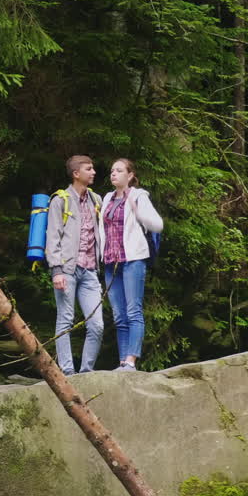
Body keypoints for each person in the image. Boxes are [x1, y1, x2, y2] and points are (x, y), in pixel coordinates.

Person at [98, 158, 163, 371]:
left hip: (133, 260)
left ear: (130, 175)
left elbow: (158, 225)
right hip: (110, 262)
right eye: (112, 171)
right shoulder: (107, 198)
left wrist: (137, 211)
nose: (113, 174)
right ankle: (122, 362)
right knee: (118, 315)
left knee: (133, 311)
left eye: (119, 170)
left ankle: (131, 361)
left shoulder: (138, 196)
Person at [44, 155, 104, 375]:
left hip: (90, 271)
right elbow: (53, 237)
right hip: (67, 270)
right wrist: (56, 270)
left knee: (96, 324)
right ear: (76, 174)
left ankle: (86, 371)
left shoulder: (96, 200)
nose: (94, 172)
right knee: (65, 320)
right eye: (89, 169)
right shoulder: (61, 200)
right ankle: (68, 372)